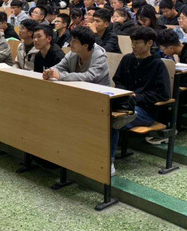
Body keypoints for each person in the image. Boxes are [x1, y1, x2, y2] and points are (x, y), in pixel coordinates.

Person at [110, 27, 171, 168]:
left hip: (145, 111)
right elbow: (118, 80)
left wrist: (137, 97)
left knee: (113, 121)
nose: (133, 46)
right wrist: (125, 94)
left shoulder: (157, 64)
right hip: (124, 104)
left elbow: (163, 94)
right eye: (132, 42)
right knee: (103, 114)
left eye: (137, 42)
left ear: (149, 43)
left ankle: (109, 162)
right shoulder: (127, 59)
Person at [43, 26, 110, 86]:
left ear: (85, 45)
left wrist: (61, 76)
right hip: (79, 88)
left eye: (74, 41)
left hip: (99, 91)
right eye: (71, 40)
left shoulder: (99, 55)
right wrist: (50, 72)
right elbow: (60, 66)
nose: (70, 43)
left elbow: (90, 77)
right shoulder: (73, 53)